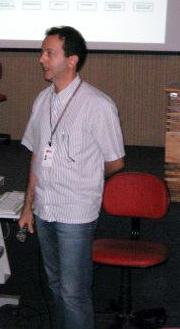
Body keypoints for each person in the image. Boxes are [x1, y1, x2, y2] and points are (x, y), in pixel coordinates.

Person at [18, 25, 125, 329]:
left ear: (71, 60)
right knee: (56, 287)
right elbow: (37, 156)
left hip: (76, 212)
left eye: (49, 53)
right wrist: (28, 206)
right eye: (42, 52)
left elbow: (116, 162)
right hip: (45, 209)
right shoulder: (42, 100)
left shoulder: (98, 105)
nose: (41, 59)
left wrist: (86, 175)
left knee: (73, 293)